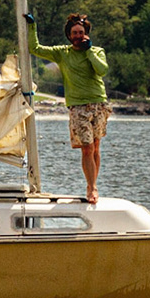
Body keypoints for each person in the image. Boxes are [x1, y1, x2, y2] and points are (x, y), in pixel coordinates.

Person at [26, 11, 110, 202]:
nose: (78, 36)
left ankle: (93, 185)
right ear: (69, 35)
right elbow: (34, 48)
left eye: (81, 33)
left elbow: (102, 69)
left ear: (86, 33)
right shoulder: (62, 53)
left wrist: (88, 50)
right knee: (86, 148)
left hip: (98, 103)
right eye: (75, 33)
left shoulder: (96, 51)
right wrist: (32, 26)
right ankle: (91, 188)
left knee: (96, 148)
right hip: (77, 106)